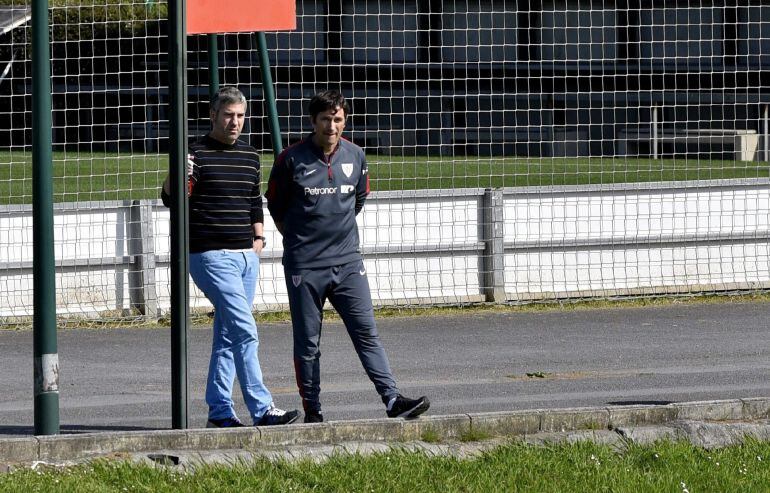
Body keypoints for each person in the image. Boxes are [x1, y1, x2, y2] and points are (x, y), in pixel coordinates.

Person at [266, 89, 430, 423]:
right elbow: (277, 208)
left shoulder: (356, 156)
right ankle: (313, 408)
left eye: (337, 119)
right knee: (308, 342)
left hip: (348, 263)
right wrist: (302, 241)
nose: (332, 125)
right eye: (325, 119)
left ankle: (392, 399)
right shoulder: (290, 159)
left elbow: (356, 202)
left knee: (366, 332)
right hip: (305, 266)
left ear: (345, 120)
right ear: (313, 122)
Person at [161, 86, 299, 428]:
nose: (235, 122)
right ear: (213, 115)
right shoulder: (195, 153)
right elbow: (171, 198)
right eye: (228, 115)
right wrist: (175, 175)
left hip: (246, 255)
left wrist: (258, 237)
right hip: (209, 255)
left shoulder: (250, 155)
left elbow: (254, 199)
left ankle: (219, 412)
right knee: (245, 329)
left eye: (240, 116)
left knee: (227, 335)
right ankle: (262, 408)